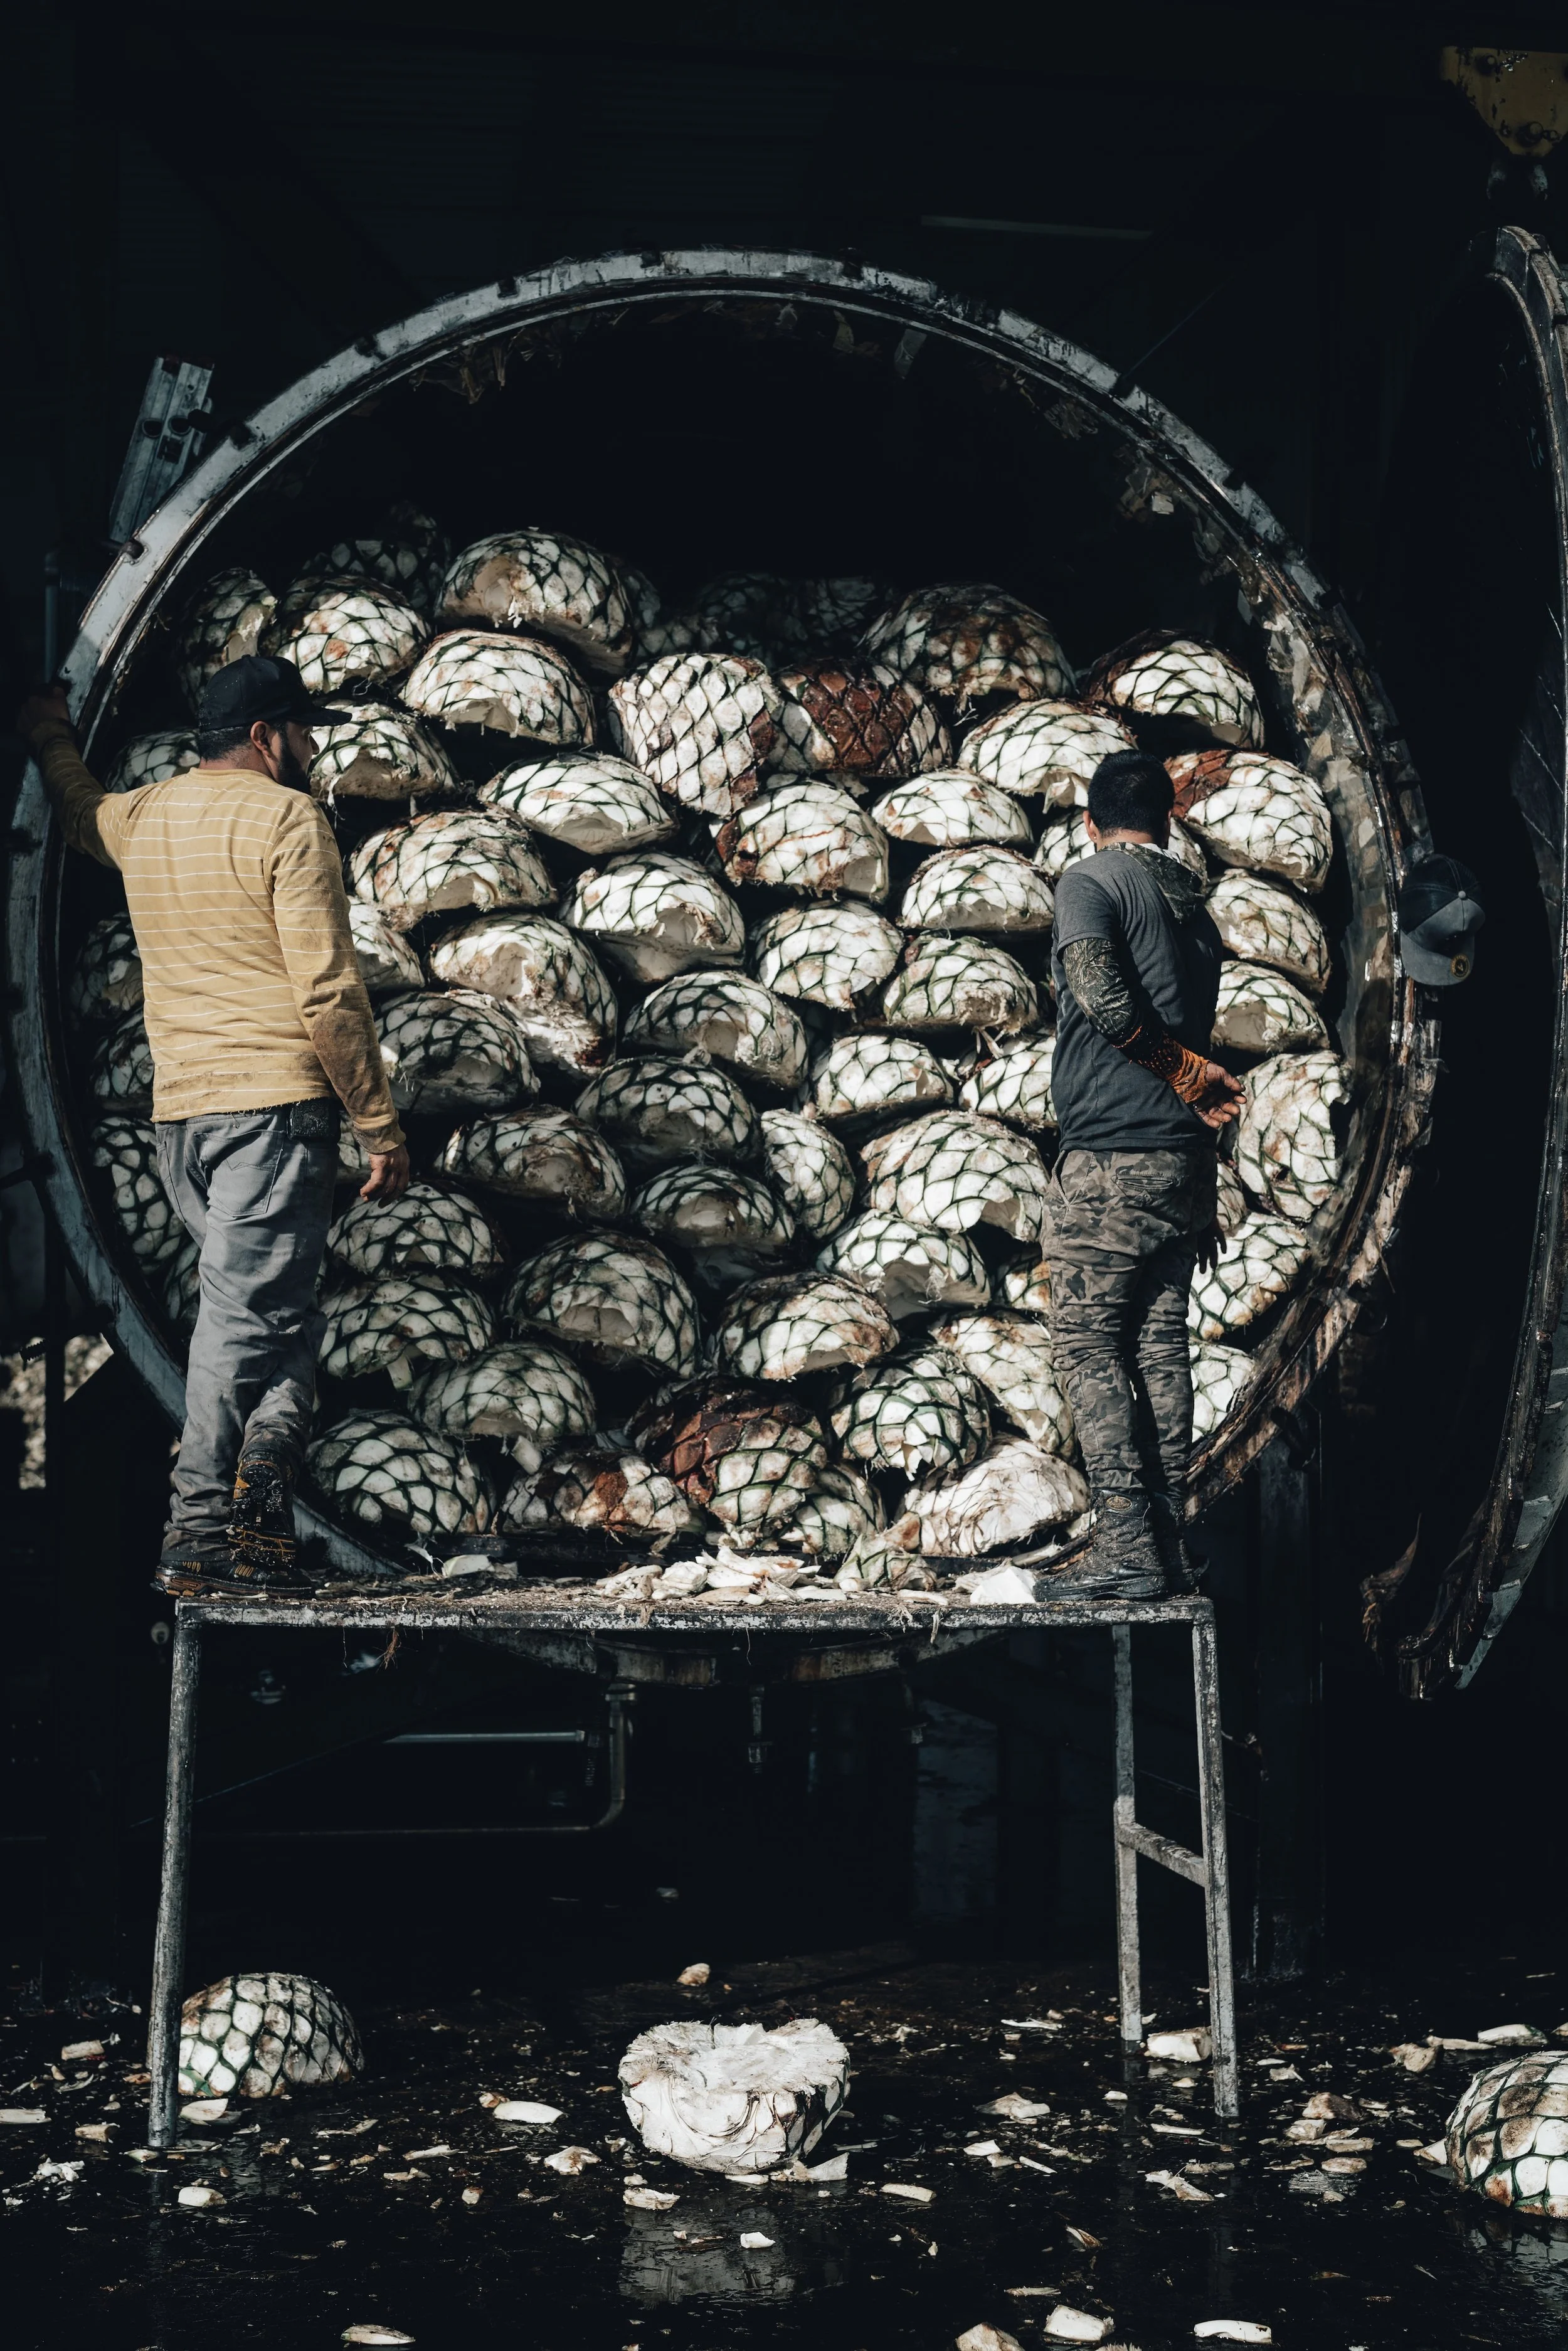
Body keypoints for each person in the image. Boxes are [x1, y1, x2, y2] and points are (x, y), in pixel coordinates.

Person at [18, 657, 410, 1600]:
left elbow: (77, 809)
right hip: (272, 1110)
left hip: (182, 1122)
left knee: (275, 1311)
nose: (313, 748)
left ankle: (263, 1505)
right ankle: (198, 1530)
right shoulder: (290, 819)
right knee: (247, 1320)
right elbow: (326, 988)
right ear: (268, 738)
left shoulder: (147, 817)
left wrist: (46, 733)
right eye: (303, 732)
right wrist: (380, 1124)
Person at [1042, 748, 1242, 1600]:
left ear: (1092, 821)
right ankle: (1166, 1541)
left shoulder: (1090, 881)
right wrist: (1188, 1079)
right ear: (1170, 821)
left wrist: (1181, 1070)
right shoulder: (1192, 902)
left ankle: (1124, 1543)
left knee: (1087, 1342)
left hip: (1113, 1159)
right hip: (1180, 1165)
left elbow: (1102, 994)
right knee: (1158, 1344)